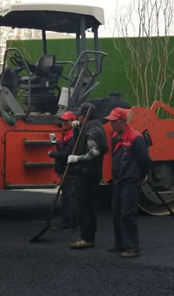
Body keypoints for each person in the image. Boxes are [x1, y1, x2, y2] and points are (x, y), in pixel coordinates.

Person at [105, 107, 151, 258]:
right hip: (118, 181)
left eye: (114, 121)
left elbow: (145, 161)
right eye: (110, 121)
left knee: (127, 214)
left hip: (131, 182)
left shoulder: (136, 138)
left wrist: (140, 176)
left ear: (124, 121)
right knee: (116, 213)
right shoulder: (114, 137)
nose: (112, 124)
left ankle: (132, 248)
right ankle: (119, 243)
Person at [66, 103, 108, 249]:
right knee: (91, 206)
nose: (78, 118)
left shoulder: (91, 131)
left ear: (85, 116)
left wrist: (77, 159)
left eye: (80, 116)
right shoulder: (97, 127)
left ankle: (86, 238)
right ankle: (90, 237)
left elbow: (94, 153)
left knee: (81, 205)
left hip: (87, 172)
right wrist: (77, 130)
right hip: (95, 172)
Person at [47, 110, 79, 230]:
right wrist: (57, 143)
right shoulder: (67, 134)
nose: (64, 123)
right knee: (70, 196)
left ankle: (68, 222)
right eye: (63, 120)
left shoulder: (72, 135)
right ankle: (73, 222)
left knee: (67, 196)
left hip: (69, 170)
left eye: (66, 121)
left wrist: (53, 154)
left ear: (72, 121)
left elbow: (67, 153)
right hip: (67, 169)